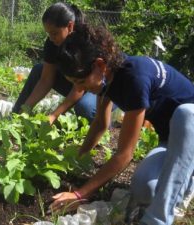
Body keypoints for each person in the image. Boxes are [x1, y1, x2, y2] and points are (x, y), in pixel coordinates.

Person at [49, 24, 194, 225]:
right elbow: (100, 124)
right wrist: (76, 158)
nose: (79, 88)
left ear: (100, 65)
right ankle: (187, 178)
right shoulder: (108, 79)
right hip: (171, 141)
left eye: (80, 81)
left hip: (191, 129)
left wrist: (80, 194)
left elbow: (125, 154)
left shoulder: (135, 78)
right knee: (144, 189)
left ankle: (157, 220)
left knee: (186, 113)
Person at [12, 2, 98, 123]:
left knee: (85, 107)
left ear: (70, 26)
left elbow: (79, 88)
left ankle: (101, 125)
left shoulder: (84, 41)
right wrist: (25, 109)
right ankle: (15, 117)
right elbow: (46, 80)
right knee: (39, 70)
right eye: (48, 33)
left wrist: (53, 115)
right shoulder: (52, 43)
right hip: (78, 84)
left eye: (54, 33)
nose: (51, 38)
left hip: (100, 89)